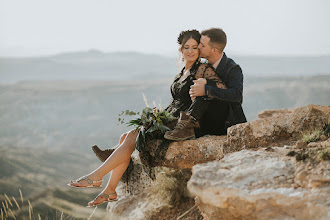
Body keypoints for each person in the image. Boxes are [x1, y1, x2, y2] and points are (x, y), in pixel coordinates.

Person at [68, 29, 226, 207]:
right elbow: (176, 100)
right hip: (170, 116)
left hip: (184, 121)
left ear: (199, 50)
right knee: (126, 137)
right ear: (180, 50)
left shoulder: (202, 68)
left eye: (195, 47)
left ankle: (96, 177)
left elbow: (220, 86)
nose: (190, 51)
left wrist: (206, 84)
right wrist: (159, 114)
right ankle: (109, 190)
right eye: (186, 47)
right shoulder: (182, 72)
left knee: (133, 137)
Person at [164, 28, 247, 140]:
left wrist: (206, 89)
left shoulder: (232, 68)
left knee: (205, 94)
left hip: (227, 120)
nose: (198, 47)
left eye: (202, 45)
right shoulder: (201, 67)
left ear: (214, 50)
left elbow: (237, 96)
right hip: (206, 118)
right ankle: (184, 126)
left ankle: (187, 127)